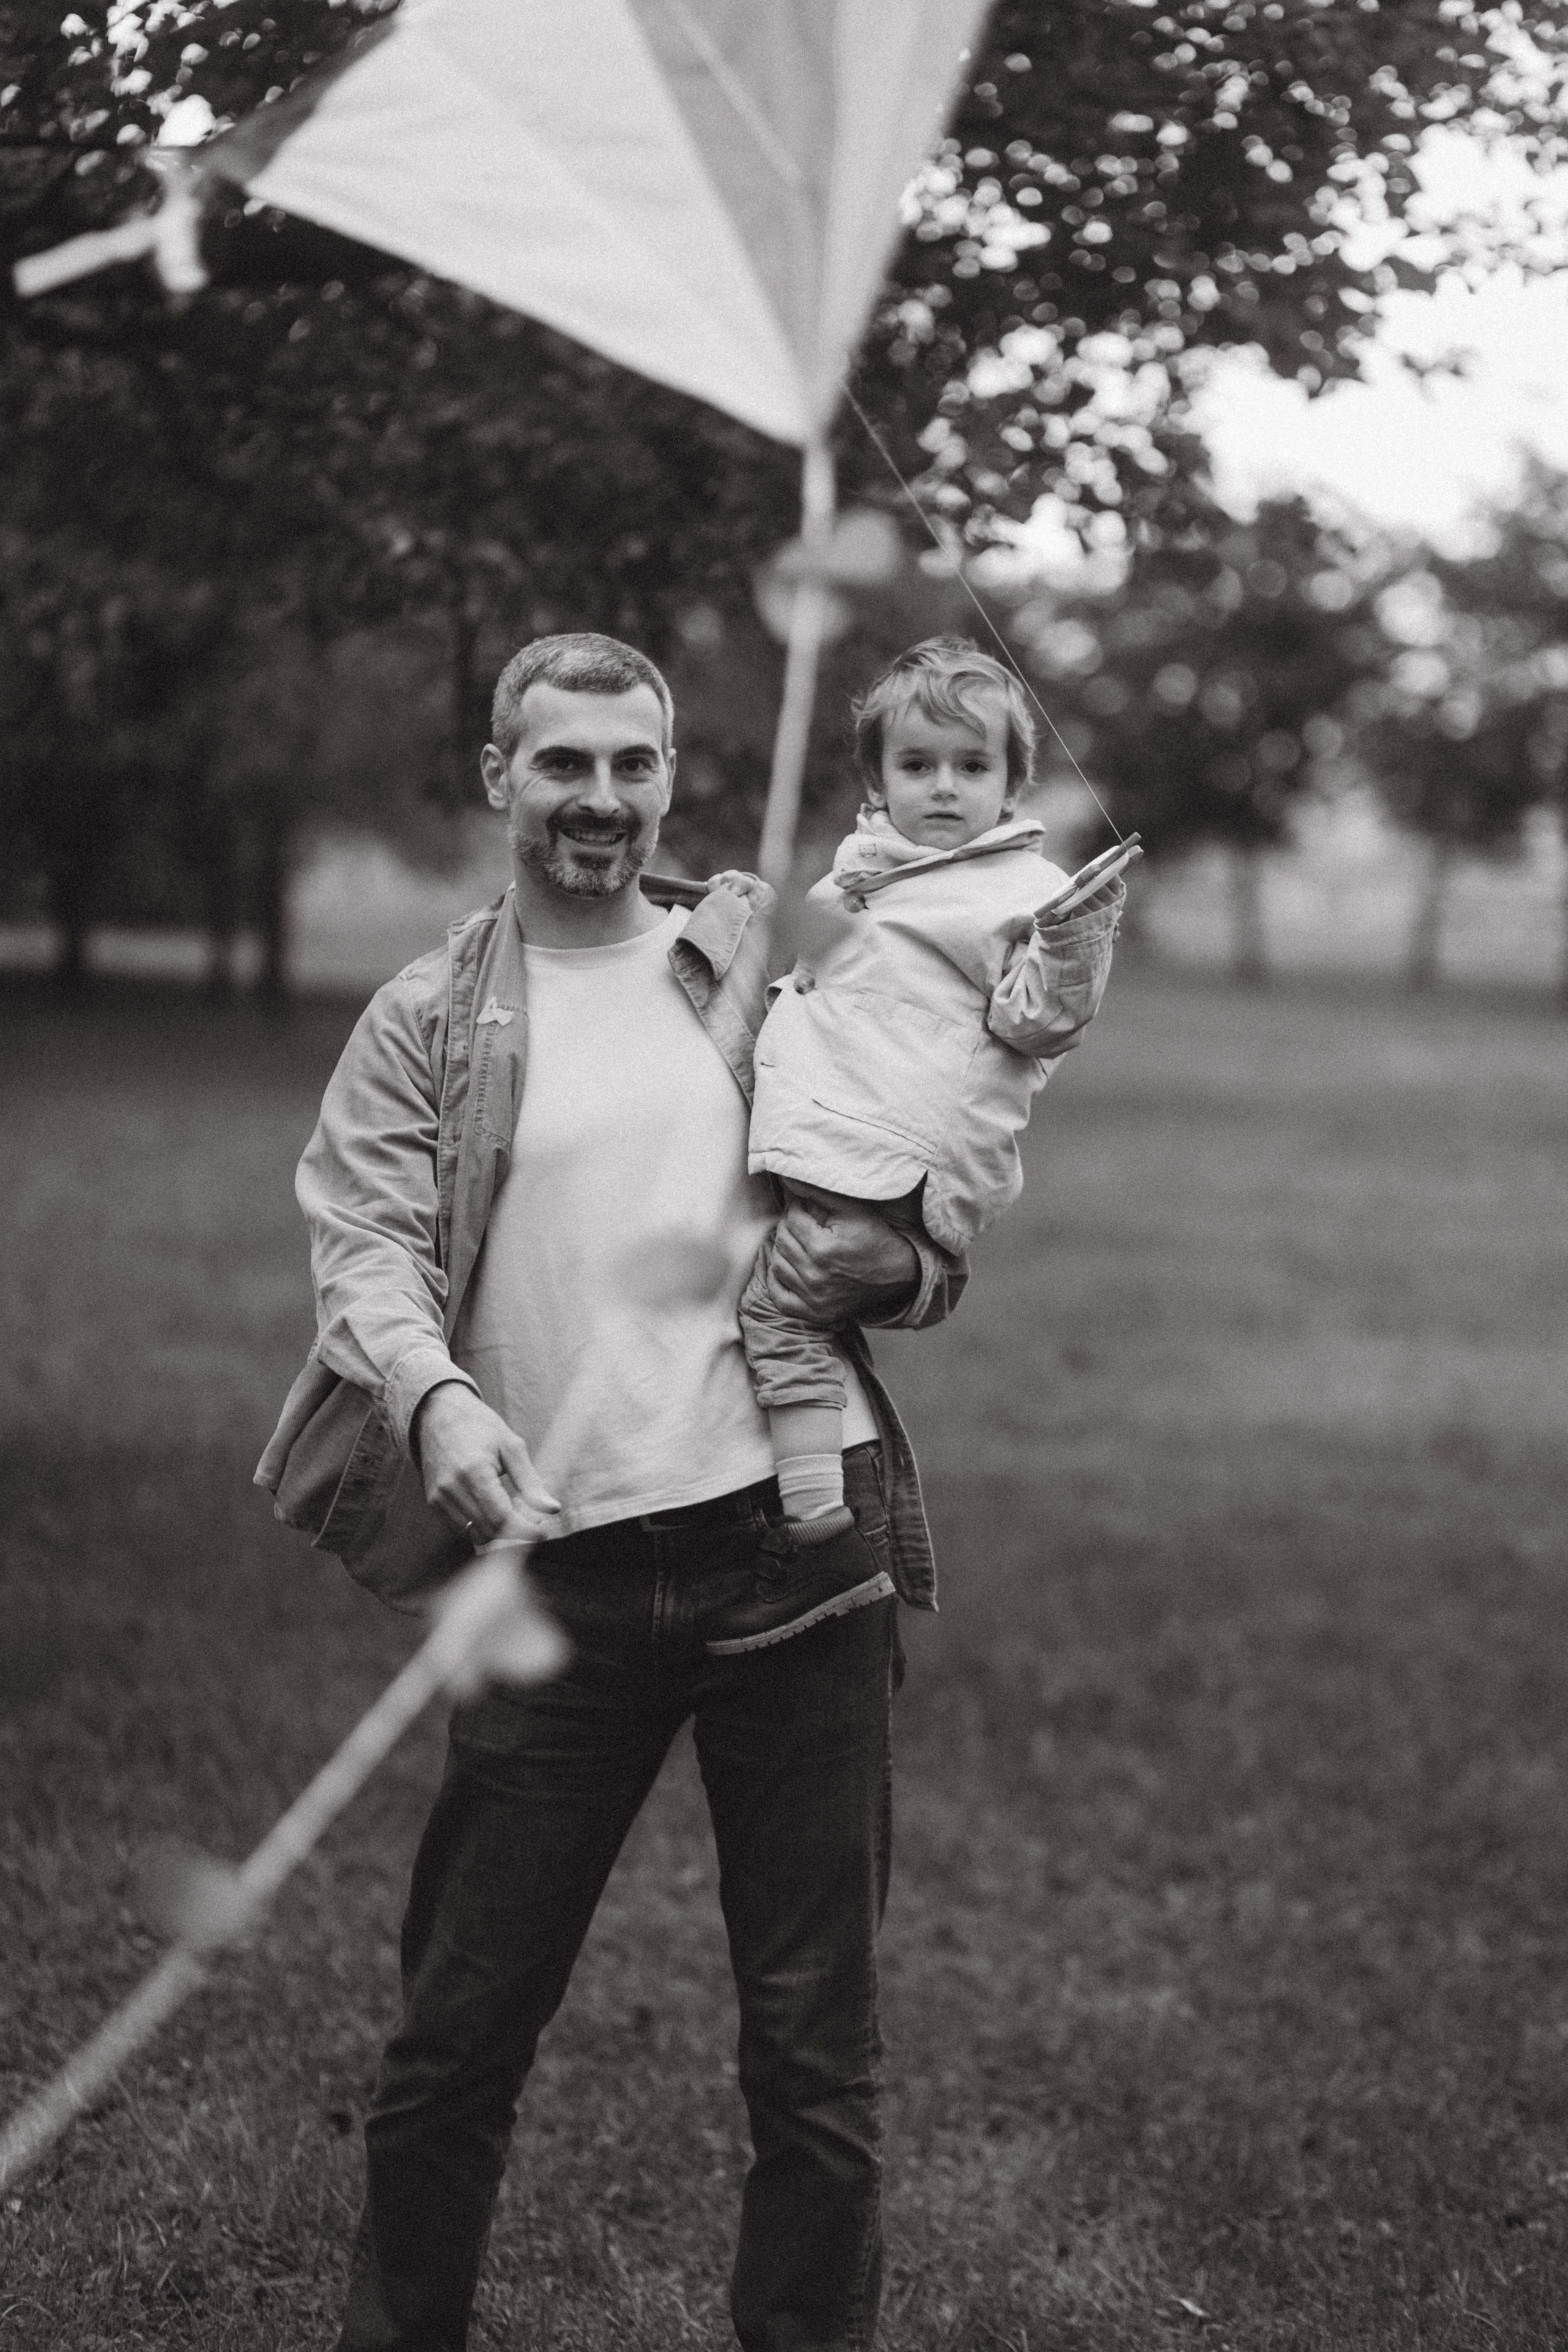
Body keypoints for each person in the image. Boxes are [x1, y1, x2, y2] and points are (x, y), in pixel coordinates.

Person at [259, 632, 966, 2352]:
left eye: (630, 764)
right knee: (454, 2042)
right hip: (557, 1576)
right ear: (499, 775)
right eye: (562, 763)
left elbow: (925, 1198)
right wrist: (431, 1395)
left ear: (667, 777)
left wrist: (899, 1257)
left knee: (815, 2055)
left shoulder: (756, 966)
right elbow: (363, 1243)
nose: (598, 797)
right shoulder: (428, 1014)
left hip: (797, 1550)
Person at [733, 636, 1123, 1548]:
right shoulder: (862, 871)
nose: (944, 787)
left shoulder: (1024, 892)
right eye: (917, 765)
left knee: (781, 1309)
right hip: (836, 1130)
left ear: (1012, 787)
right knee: (786, 1290)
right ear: (877, 779)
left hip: (894, 1148)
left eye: (971, 766)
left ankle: (811, 1498)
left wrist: (1078, 937)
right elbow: (821, 977)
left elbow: (1041, 1021)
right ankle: (811, 1491)